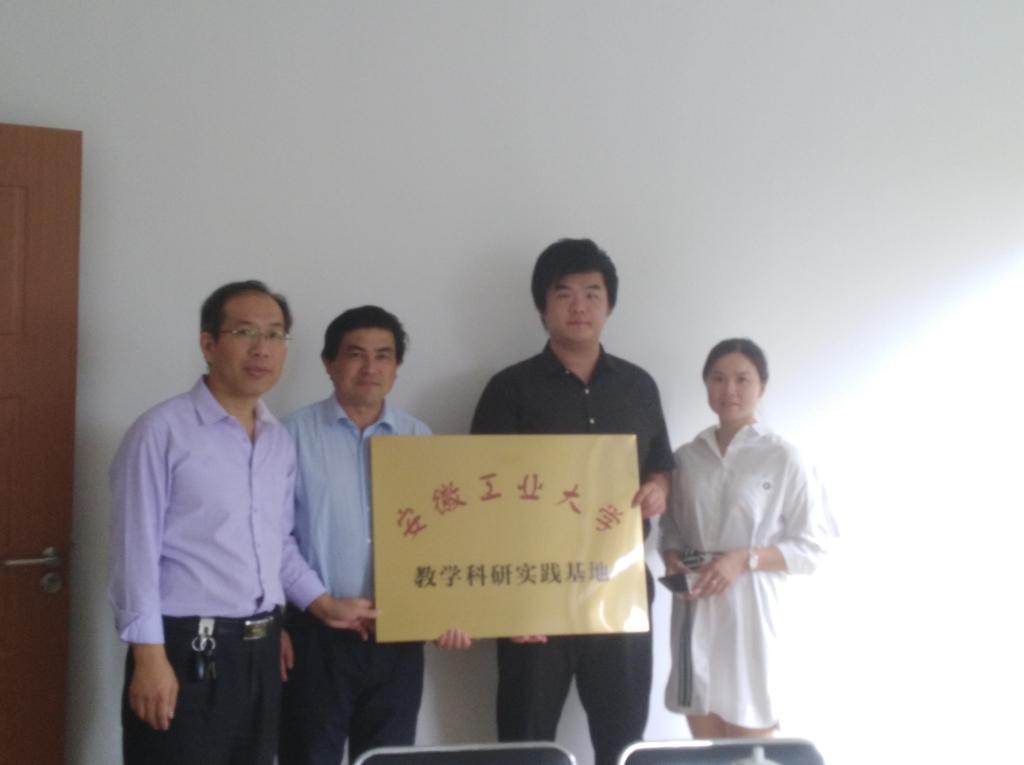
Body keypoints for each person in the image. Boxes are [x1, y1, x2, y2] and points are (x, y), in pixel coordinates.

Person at [108, 280, 374, 765]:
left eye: (275, 334)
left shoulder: (277, 440)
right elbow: (134, 553)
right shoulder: (161, 432)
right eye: (245, 332)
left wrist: (323, 605)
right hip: (185, 650)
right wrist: (149, 657)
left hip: (262, 653)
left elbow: (278, 545)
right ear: (208, 344)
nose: (262, 348)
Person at [470, 239, 674, 765]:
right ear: (543, 307)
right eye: (564, 294)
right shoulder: (508, 389)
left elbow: (659, 466)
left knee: (623, 742)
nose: (579, 306)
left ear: (609, 304)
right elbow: (479, 497)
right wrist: (504, 604)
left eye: (592, 293)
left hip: (620, 589)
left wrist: (658, 488)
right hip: (533, 595)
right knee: (526, 743)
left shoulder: (639, 386)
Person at [278, 305, 470, 765]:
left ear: (396, 369)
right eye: (355, 354)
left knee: (389, 759)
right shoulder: (289, 436)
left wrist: (443, 611)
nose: (370, 367)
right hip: (316, 633)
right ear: (329, 363)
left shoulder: (418, 439)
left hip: (397, 637)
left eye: (383, 356)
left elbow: (442, 540)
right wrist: (321, 602)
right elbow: (272, 537)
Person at [659, 338, 837, 738]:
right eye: (718, 378)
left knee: (751, 733)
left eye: (742, 379)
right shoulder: (686, 458)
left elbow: (813, 546)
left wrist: (743, 558)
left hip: (752, 609)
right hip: (695, 604)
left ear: (762, 387)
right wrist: (672, 557)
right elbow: (671, 528)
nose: (729, 390)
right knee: (703, 728)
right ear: (706, 385)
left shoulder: (784, 457)